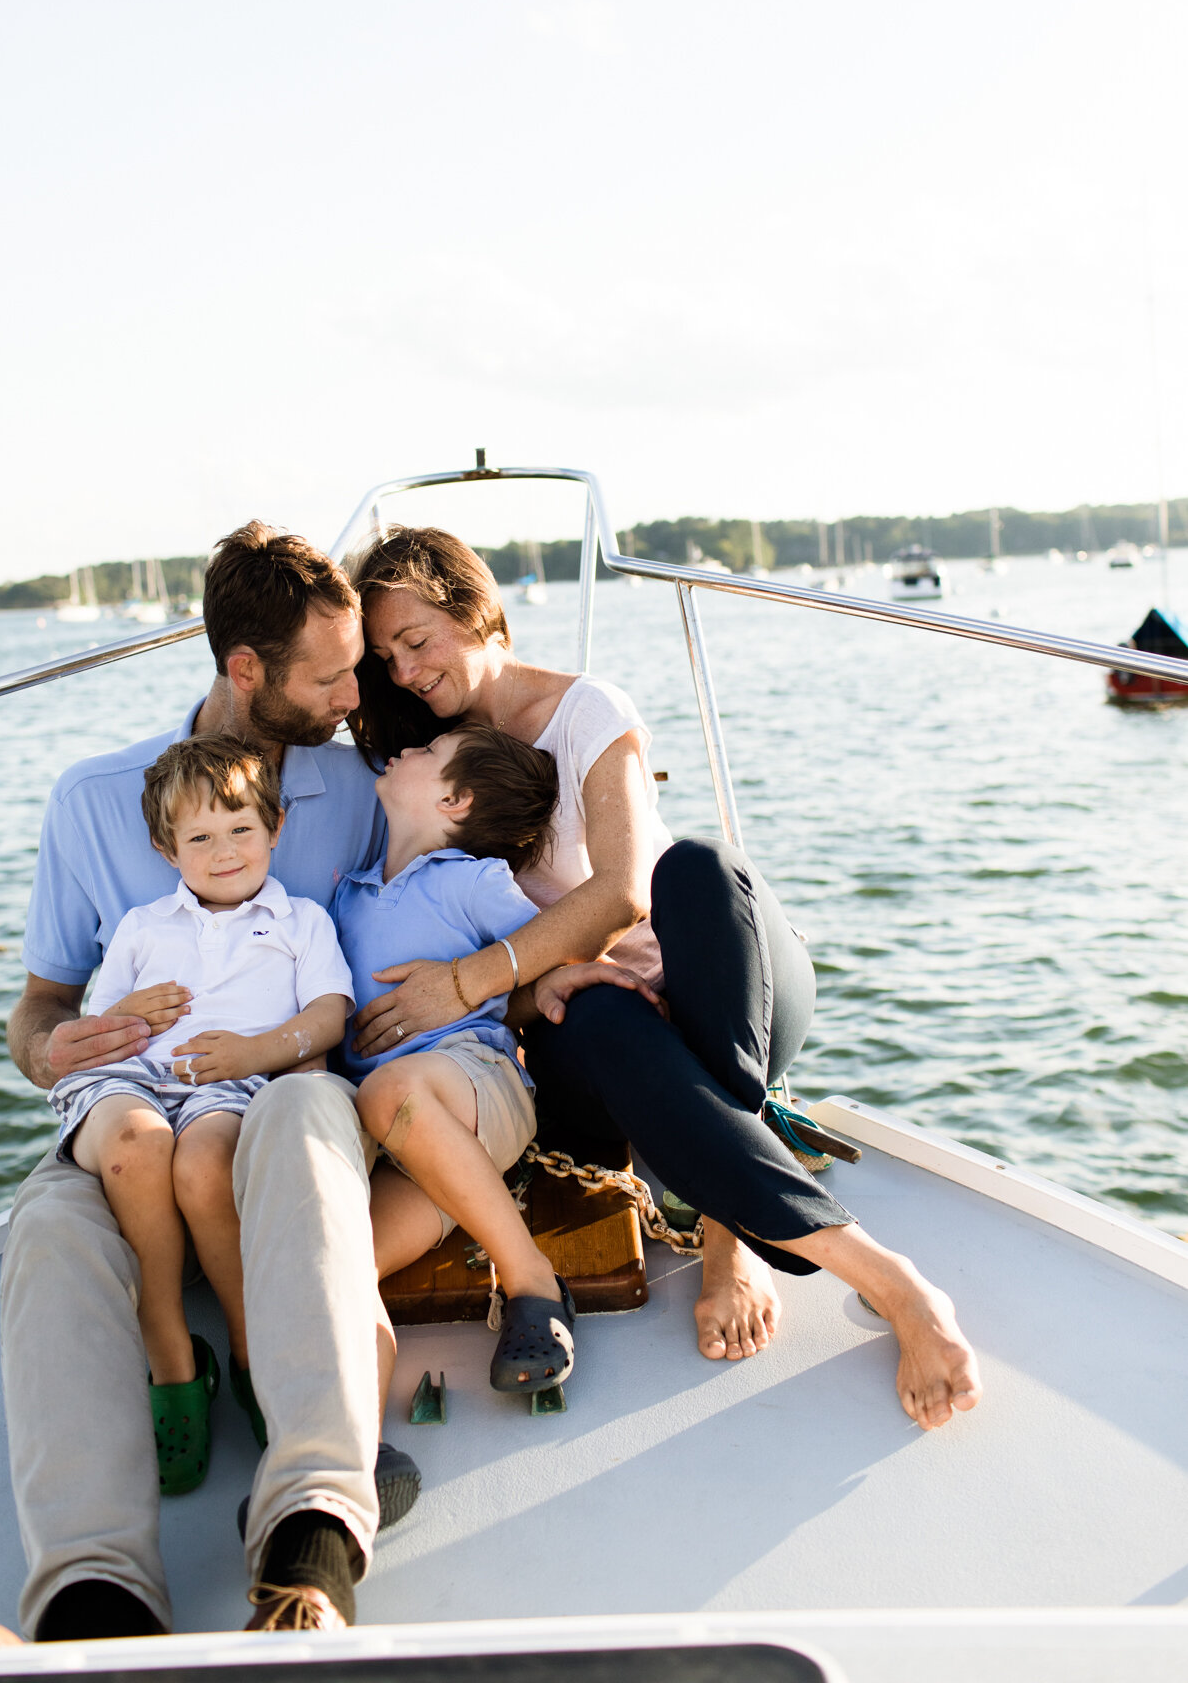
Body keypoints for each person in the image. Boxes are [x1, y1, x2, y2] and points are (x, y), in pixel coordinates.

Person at [349, 526, 982, 1435]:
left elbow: (621, 888)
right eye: (386, 658)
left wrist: (472, 979)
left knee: (695, 866)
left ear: (476, 608)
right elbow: (501, 972)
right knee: (590, 1007)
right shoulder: (433, 765)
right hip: (604, 1032)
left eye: (417, 642)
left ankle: (729, 1233)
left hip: (719, 984)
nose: (405, 672)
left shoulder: (586, 711)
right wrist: (533, 985)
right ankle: (898, 1285)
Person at [0, 523, 406, 1646]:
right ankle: (91, 1603)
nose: (364, 688)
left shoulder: (360, 787)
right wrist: (54, 1049)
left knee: (303, 1106)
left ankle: (309, 1540)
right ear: (245, 670)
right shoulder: (93, 799)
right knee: (53, 1221)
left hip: (287, 1097)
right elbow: (40, 1006)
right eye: (334, 672)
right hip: (141, 1108)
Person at [48, 733, 355, 1496]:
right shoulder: (143, 927)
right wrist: (124, 1010)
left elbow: (328, 1015)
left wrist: (259, 1051)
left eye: (241, 830)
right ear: (166, 849)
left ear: (275, 829)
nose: (224, 852)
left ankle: (250, 1346)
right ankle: (172, 1358)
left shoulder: (300, 922)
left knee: (205, 1162)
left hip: (232, 1083)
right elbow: (96, 1028)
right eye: (200, 838)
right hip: (136, 1078)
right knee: (134, 1148)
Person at [337, 724, 577, 1397]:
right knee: (337, 1265)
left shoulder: (470, 881)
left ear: (455, 801)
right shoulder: (346, 893)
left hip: (472, 1088)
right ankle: (360, 1441)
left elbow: (551, 948)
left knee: (390, 1090)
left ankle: (531, 1282)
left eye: (429, 753)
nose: (406, 747)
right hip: (401, 1145)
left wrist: (556, 978)